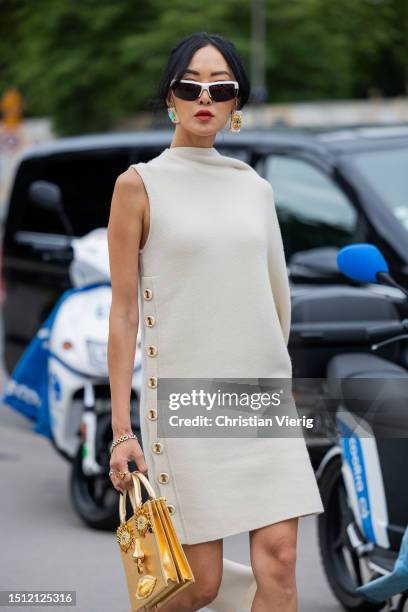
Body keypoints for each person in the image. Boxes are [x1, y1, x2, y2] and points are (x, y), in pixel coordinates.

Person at [107, 31, 324, 612]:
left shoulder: (254, 189)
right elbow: (124, 312)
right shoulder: (138, 186)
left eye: (221, 87)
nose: (206, 96)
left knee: (280, 561)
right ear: (171, 98)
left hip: (257, 398)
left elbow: (278, 300)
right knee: (197, 583)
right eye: (190, 85)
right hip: (184, 404)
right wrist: (123, 429)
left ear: (235, 106)